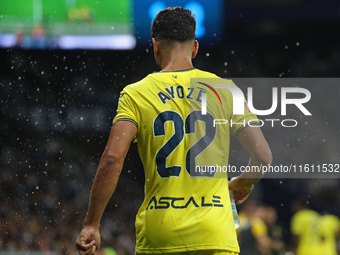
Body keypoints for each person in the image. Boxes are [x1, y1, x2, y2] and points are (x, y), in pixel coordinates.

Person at [76, 6, 272, 255]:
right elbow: (264, 156)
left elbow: (112, 159)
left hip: (161, 232)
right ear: (195, 47)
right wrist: (244, 182)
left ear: (155, 46)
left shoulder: (136, 93)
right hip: (215, 233)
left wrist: (91, 224)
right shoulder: (226, 90)